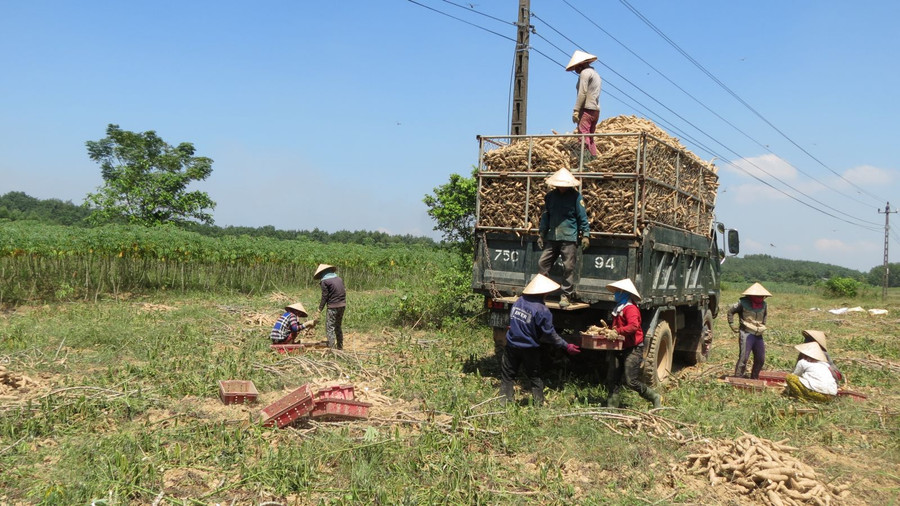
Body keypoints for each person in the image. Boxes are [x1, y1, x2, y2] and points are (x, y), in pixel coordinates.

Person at [500, 274, 581, 406]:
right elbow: (550, 334)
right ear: (543, 293)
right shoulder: (542, 310)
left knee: (508, 375)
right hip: (529, 348)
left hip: (512, 345)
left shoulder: (519, 302)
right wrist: (566, 346)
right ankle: (538, 404)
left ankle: (504, 402)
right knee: (534, 376)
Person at [603, 278, 661, 409]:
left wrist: (617, 331)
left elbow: (634, 326)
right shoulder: (619, 308)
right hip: (619, 347)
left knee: (631, 381)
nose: (615, 294)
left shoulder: (630, 309)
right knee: (613, 378)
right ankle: (612, 406)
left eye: (618, 291)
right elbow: (618, 326)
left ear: (624, 293)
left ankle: (654, 396)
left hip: (633, 348)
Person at [537, 168, 591, 308]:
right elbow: (546, 216)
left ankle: (566, 294)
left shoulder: (576, 197)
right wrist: (542, 233)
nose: (562, 187)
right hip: (553, 236)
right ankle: (542, 291)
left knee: (568, 267)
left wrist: (585, 235)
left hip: (569, 237)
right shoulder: (550, 197)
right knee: (543, 263)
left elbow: (582, 216)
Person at [727, 282, 771, 379]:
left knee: (760, 358)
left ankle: (754, 377)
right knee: (744, 357)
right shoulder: (742, 303)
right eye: (757, 296)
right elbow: (730, 311)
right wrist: (731, 324)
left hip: (758, 334)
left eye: (762, 296)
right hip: (746, 333)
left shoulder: (764, 305)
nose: (760, 298)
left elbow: (765, 317)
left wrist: (762, 326)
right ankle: (738, 378)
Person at [566, 50, 601, 160]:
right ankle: (594, 160)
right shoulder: (595, 74)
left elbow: (582, 93)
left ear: (581, 64)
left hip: (587, 109)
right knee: (590, 137)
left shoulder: (585, 73)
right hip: (595, 110)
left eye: (576, 67)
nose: (575, 70)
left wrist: (576, 110)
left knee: (583, 136)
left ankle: (585, 163)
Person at [314, 263, 346, 350]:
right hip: (342, 305)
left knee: (330, 327)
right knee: (338, 326)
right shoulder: (339, 279)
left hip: (333, 306)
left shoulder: (325, 281)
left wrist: (319, 309)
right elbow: (344, 291)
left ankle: (332, 349)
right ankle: (340, 347)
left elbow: (324, 296)